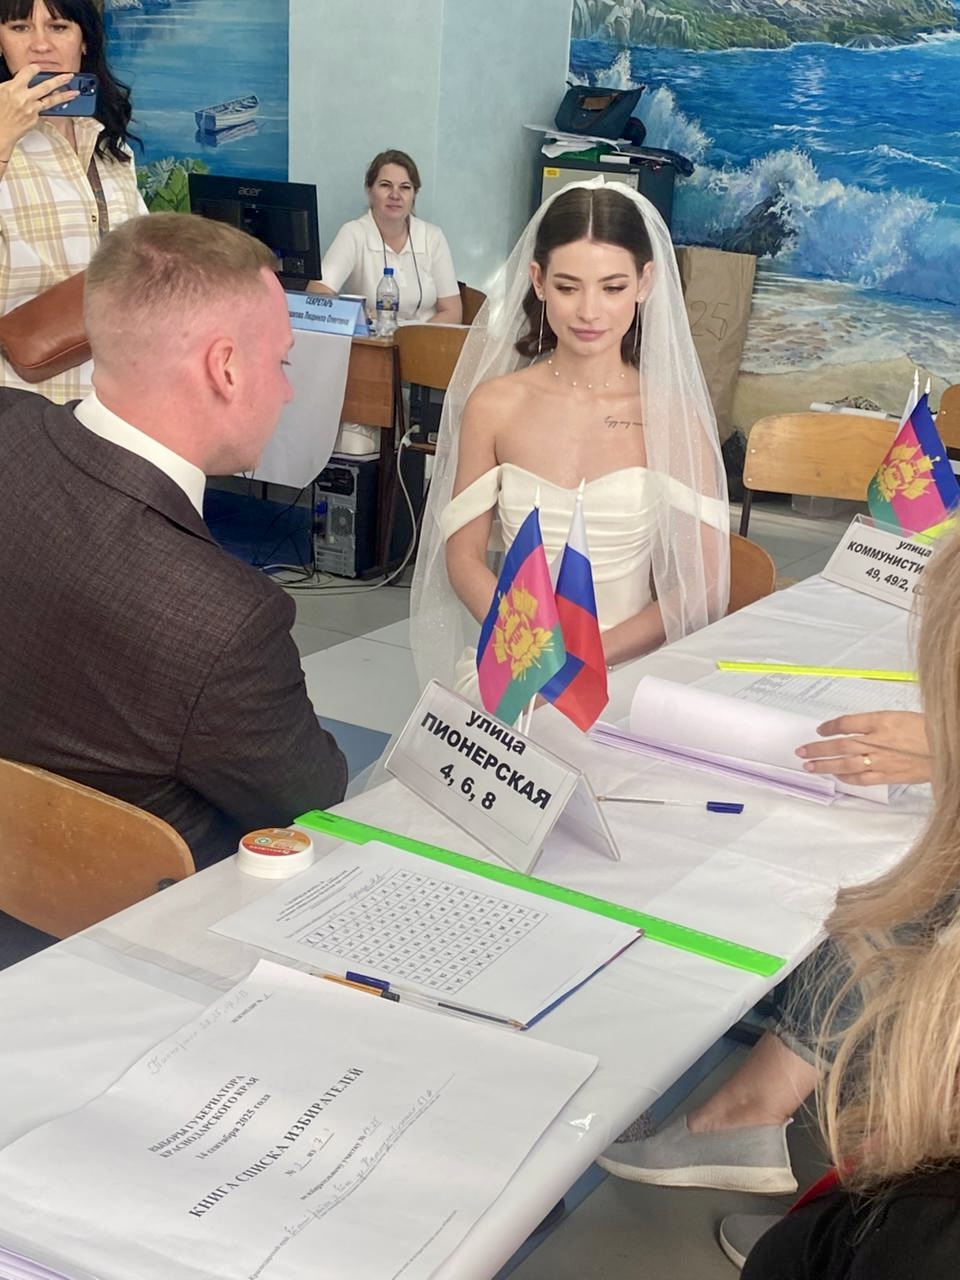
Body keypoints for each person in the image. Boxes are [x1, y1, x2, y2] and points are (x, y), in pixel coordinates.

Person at [0, 213, 347, 889]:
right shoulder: (224, 622)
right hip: (128, 920)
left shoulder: (9, 424)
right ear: (225, 368)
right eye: (280, 362)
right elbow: (315, 800)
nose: (286, 390)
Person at [410, 178, 729, 699]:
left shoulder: (671, 416)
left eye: (613, 287)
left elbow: (703, 583)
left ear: (645, 282)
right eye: (567, 287)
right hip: (517, 653)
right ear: (537, 281)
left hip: (624, 667)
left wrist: (582, 660)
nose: (589, 312)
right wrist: (534, 652)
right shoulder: (494, 405)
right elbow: (463, 559)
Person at [0, 0, 146, 401]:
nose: (40, 44)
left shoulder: (108, 143)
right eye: (19, 28)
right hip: (16, 400)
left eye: (59, 27)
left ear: (85, 41)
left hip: (108, 396)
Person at [309, 149, 461, 324]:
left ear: (414, 194)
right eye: (385, 185)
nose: (395, 195)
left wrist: (414, 337)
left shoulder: (432, 237)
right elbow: (316, 295)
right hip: (372, 338)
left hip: (423, 338)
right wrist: (360, 315)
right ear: (369, 190)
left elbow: (453, 312)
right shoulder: (353, 233)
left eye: (405, 187)